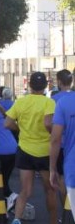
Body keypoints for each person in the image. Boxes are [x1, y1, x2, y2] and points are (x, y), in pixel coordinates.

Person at [5, 72, 57, 224]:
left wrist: (20, 129)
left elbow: (7, 123)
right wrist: (52, 133)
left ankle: (16, 220)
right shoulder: (49, 103)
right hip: (44, 151)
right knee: (50, 190)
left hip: (25, 150)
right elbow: (48, 123)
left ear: (30, 85)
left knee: (25, 190)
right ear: (46, 86)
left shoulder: (21, 102)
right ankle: (53, 221)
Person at [49, 72, 75, 220]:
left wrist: (52, 168)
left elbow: (55, 139)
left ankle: (67, 212)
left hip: (69, 158)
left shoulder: (62, 102)